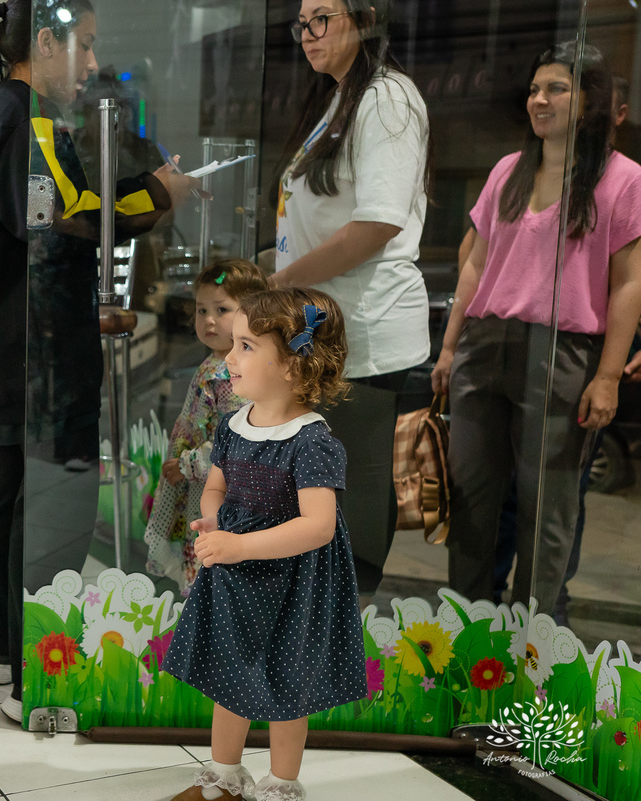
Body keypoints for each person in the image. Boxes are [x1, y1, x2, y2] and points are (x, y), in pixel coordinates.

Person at [0, 0, 198, 722]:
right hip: (37, 354)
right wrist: (161, 193)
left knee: (6, 490)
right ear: (43, 41)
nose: (91, 64)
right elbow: (68, 218)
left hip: (7, 343)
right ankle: (39, 672)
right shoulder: (22, 114)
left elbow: (52, 213)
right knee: (48, 500)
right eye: (84, 46)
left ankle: (4, 649)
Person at [432, 43, 641, 616]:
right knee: (471, 502)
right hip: (485, 345)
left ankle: (535, 642)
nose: (540, 99)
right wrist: (449, 347)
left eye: (557, 88)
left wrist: (606, 376)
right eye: (534, 89)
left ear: (591, 100)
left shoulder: (623, 180)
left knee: (546, 509)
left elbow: (628, 284)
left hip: (563, 353)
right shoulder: (508, 169)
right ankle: (465, 633)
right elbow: (474, 263)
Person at [163, 288, 365, 801]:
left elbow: (318, 525)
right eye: (234, 344)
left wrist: (238, 547)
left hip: (293, 586)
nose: (229, 358)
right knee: (228, 677)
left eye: (246, 346)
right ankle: (222, 776)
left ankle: (281, 783)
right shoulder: (234, 425)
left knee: (284, 685)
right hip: (236, 578)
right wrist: (212, 522)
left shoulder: (312, 441)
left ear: (296, 365)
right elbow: (216, 486)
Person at [269, 0, 432, 593]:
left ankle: (343, 634)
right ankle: (318, 627)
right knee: (316, 487)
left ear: (363, 19)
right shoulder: (340, 96)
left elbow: (377, 225)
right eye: (302, 24)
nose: (308, 35)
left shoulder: (387, 97)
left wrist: (286, 281)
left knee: (352, 494)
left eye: (323, 20)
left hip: (366, 330)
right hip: (322, 325)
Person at [145, 259, 267, 595]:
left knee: (210, 560)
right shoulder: (215, 361)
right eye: (201, 310)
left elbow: (237, 440)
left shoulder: (233, 372)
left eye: (222, 309)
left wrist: (188, 465)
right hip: (198, 484)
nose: (209, 320)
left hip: (216, 486)